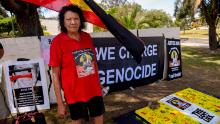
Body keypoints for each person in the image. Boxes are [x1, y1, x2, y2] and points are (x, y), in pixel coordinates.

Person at [49, 5, 105, 124]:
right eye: (68, 19)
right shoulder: (57, 42)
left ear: (81, 21)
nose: (73, 22)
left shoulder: (87, 37)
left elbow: (93, 64)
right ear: (63, 22)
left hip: (93, 89)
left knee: (99, 117)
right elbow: (55, 74)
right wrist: (60, 103)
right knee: (76, 121)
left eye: (76, 18)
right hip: (73, 93)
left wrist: (99, 84)